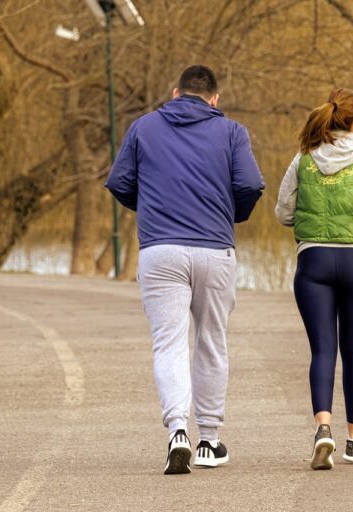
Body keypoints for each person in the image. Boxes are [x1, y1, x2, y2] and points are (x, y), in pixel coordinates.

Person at [105, 64, 265, 475]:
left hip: (161, 252)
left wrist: (156, 208)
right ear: (215, 98)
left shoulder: (143, 127)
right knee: (211, 342)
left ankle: (178, 431)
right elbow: (249, 184)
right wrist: (229, 213)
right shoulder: (232, 132)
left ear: (175, 92)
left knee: (169, 343)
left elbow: (120, 182)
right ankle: (209, 440)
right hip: (214, 250)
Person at [275, 88, 353, 470]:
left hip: (312, 262)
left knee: (322, 350)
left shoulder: (303, 159)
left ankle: (322, 427)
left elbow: (283, 212)